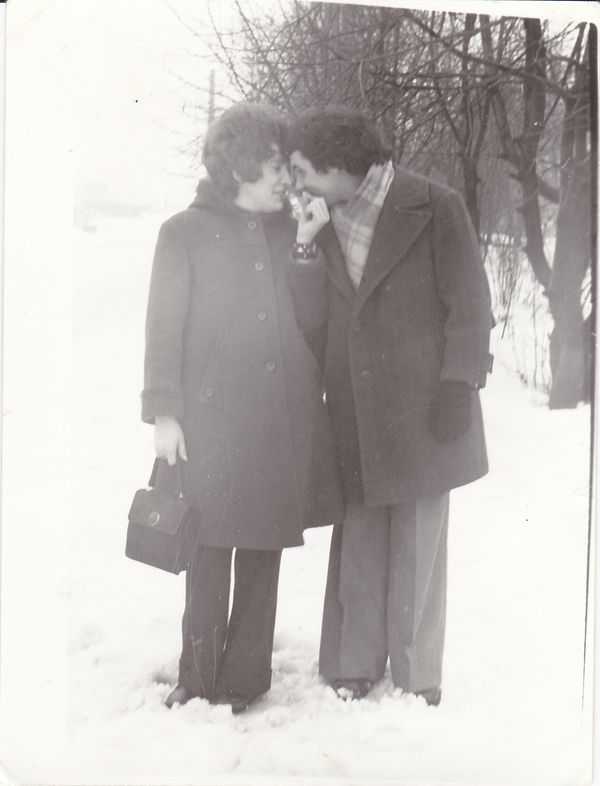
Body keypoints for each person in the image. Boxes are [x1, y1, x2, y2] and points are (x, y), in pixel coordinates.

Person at [286, 107, 493, 706]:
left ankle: (417, 672)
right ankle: (352, 663)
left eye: (303, 170)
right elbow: (313, 323)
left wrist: (460, 383)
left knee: (418, 542)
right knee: (360, 535)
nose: (298, 184)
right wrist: (304, 249)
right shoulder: (322, 220)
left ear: (338, 164)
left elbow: (471, 304)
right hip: (354, 407)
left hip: (426, 407)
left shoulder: (435, 205)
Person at [141, 102, 342, 714]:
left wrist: (305, 248)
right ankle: (198, 675)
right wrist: (165, 413)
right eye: (275, 167)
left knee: (262, 548)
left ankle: (245, 680)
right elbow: (163, 328)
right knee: (206, 549)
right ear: (238, 169)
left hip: (280, 419)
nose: (287, 179)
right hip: (210, 423)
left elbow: (315, 322)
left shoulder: (296, 229)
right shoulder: (183, 232)